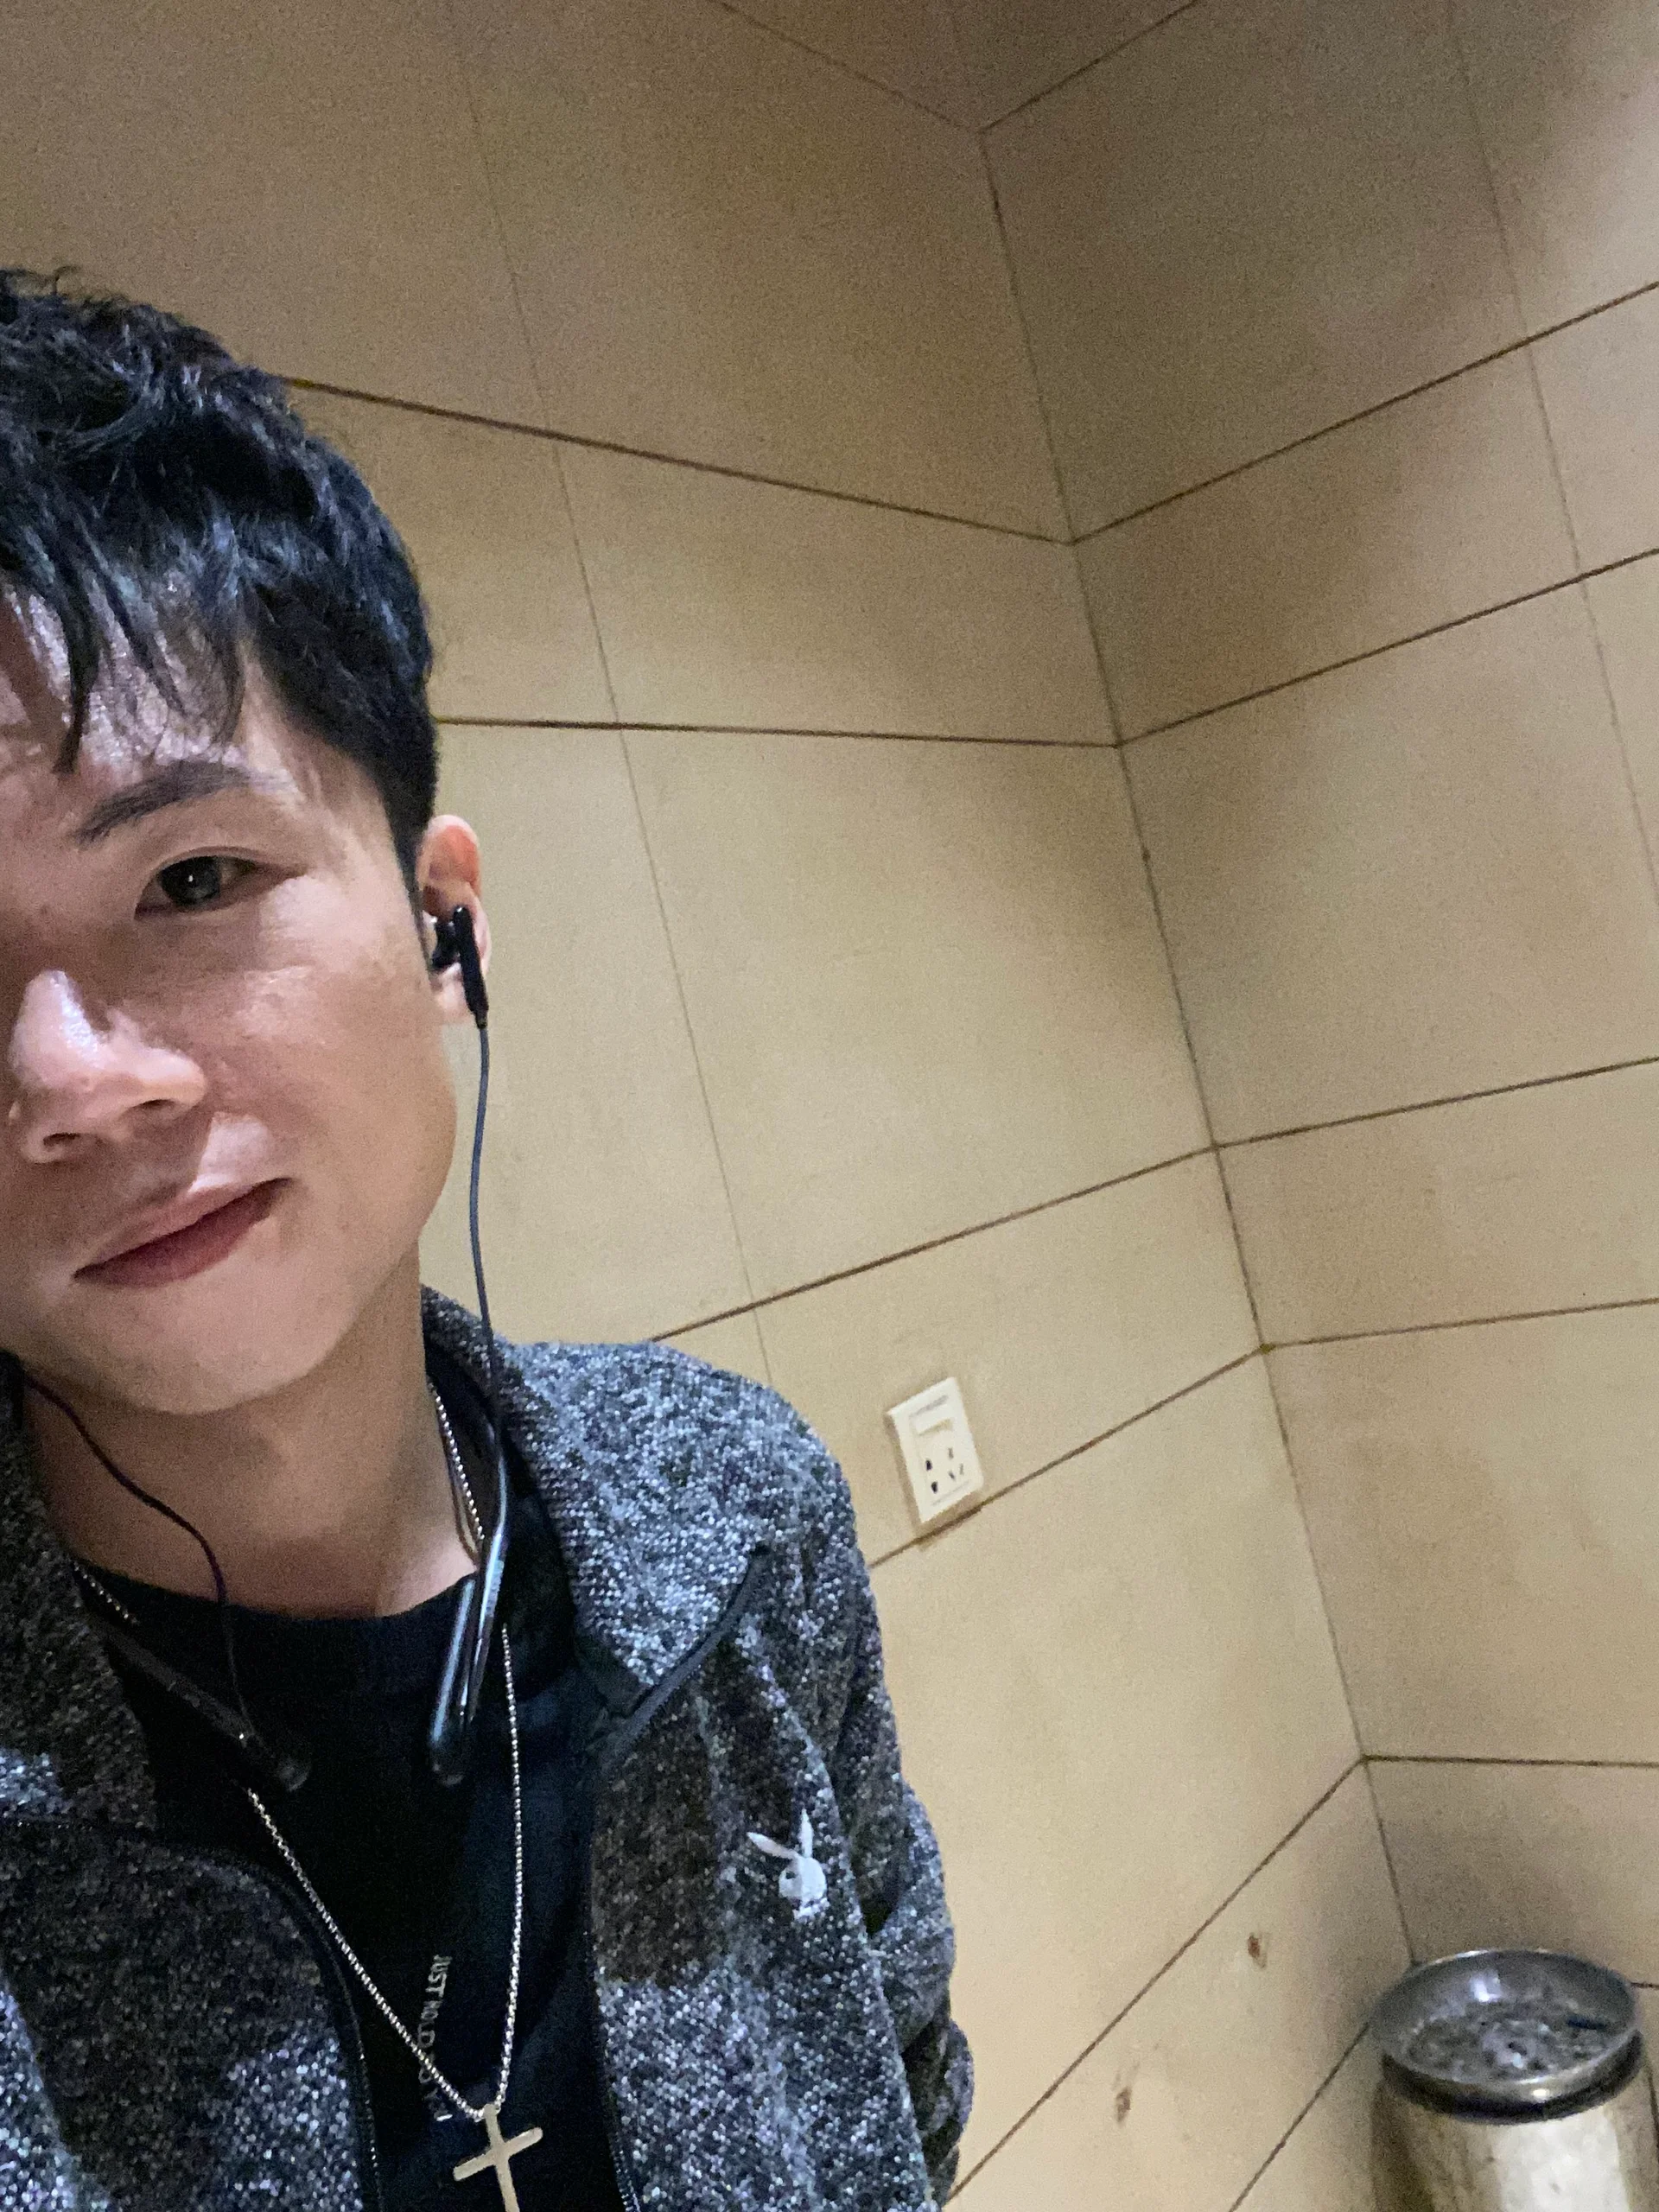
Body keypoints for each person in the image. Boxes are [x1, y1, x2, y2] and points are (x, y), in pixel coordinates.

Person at [0, 269, 971, 2212]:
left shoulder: (740, 1509)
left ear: (444, 923)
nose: (69, 1083)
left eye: (193, 877)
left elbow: (909, 2089)